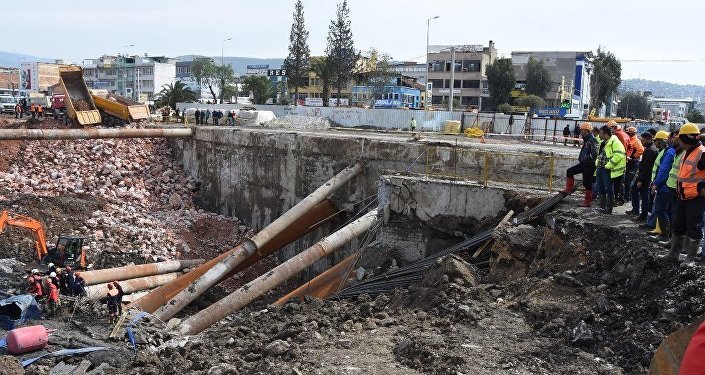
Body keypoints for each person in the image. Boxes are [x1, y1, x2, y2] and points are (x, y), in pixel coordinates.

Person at [662, 123, 705, 266]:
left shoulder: (701, 153)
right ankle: (673, 254)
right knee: (678, 225)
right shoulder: (687, 151)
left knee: (694, 227)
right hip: (682, 196)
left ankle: (690, 258)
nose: (678, 141)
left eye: (680, 138)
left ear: (687, 138)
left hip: (695, 198)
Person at [646, 132, 678, 242]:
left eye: (657, 141)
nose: (655, 143)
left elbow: (664, 170)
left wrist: (656, 183)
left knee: (660, 210)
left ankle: (665, 235)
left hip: (665, 187)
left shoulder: (669, 152)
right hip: (668, 186)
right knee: (668, 212)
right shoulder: (668, 151)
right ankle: (669, 236)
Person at [563, 122, 598, 207]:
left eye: (582, 130)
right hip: (584, 163)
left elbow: (595, 154)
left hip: (589, 165)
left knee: (587, 183)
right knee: (569, 172)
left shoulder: (592, 140)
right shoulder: (586, 139)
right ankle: (568, 190)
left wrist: (587, 158)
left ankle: (587, 202)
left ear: (586, 131)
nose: (580, 131)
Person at [594, 125, 626, 214]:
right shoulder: (603, 142)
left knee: (608, 189)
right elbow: (600, 154)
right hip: (601, 168)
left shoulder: (615, 142)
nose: (599, 135)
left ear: (606, 134)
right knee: (601, 188)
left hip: (607, 169)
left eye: (600, 133)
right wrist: (597, 162)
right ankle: (602, 207)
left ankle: (608, 209)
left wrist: (608, 166)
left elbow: (618, 155)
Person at [627, 132, 658, 221]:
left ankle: (643, 215)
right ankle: (636, 210)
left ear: (649, 139)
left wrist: (640, 180)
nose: (642, 142)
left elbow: (647, 167)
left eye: (643, 140)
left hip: (645, 177)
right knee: (636, 191)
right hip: (644, 175)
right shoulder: (650, 148)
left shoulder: (650, 150)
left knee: (644, 196)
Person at [624, 126, 645, 204]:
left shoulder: (636, 141)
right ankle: (626, 195)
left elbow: (641, 150)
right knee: (626, 181)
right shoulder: (630, 139)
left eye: (629, 133)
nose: (628, 134)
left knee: (628, 181)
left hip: (633, 163)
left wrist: (633, 157)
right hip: (629, 162)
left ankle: (627, 197)